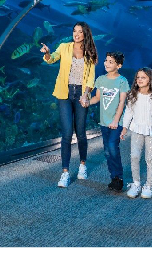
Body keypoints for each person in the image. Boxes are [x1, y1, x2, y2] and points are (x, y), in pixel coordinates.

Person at [40, 22, 98, 188]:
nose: (76, 34)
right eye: (74, 31)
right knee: (66, 134)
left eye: (80, 32)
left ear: (85, 34)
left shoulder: (90, 52)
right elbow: (51, 60)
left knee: (80, 132)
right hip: (64, 93)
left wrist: (86, 95)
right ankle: (65, 172)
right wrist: (48, 53)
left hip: (81, 93)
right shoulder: (64, 47)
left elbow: (90, 78)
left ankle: (82, 165)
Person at [120, 67, 152, 199]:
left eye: (143, 77)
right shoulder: (133, 94)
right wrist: (124, 128)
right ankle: (136, 183)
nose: (139, 80)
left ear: (150, 79)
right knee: (135, 157)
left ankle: (149, 185)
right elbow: (129, 112)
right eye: (138, 77)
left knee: (150, 159)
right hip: (137, 130)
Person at [87, 51, 129, 193]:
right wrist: (87, 102)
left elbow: (122, 101)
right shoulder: (100, 79)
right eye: (106, 60)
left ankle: (119, 178)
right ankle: (113, 178)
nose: (106, 63)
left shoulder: (122, 81)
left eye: (111, 61)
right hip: (104, 122)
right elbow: (97, 98)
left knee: (112, 147)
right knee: (106, 151)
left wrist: (116, 120)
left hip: (117, 122)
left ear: (119, 65)